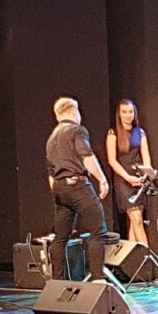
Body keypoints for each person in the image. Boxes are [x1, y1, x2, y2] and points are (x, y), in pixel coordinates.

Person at [46, 95, 111, 276]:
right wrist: (102, 179)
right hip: (77, 186)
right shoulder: (76, 131)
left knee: (60, 237)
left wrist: (58, 193)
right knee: (98, 231)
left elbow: (50, 172)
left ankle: (56, 281)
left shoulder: (51, 138)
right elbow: (86, 156)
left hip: (59, 188)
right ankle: (98, 279)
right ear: (74, 111)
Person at [102, 98, 158, 247]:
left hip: (139, 179)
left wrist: (146, 175)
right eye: (124, 112)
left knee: (134, 222)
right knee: (136, 218)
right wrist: (127, 178)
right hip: (123, 180)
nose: (127, 115)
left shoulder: (140, 132)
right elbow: (112, 161)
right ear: (119, 114)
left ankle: (133, 259)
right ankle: (147, 255)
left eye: (130, 112)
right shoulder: (113, 133)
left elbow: (146, 157)